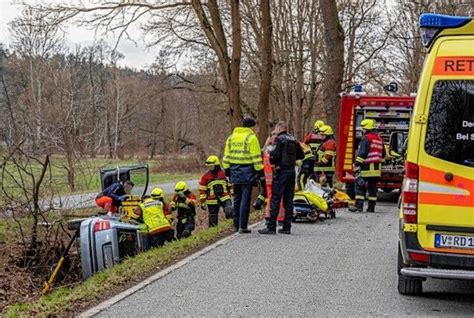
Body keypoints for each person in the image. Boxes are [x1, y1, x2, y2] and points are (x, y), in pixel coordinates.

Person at [259, 121, 304, 235]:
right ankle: (286, 227)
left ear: (279, 128)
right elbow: (301, 155)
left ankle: (271, 227)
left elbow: (275, 155)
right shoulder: (293, 139)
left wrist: (273, 160)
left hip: (281, 171)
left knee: (275, 198)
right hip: (291, 171)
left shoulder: (279, 139)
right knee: (288, 200)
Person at [223, 117, 264, 233]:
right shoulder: (251, 138)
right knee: (245, 200)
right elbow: (256, 158)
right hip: (247, 171)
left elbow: (226, 156)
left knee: (236, 199)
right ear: (252, 126)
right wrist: (260, 173)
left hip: (234, 171)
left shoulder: (231, 138)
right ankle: (243, 226)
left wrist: (227, 171)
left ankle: (235, 225)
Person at [349, 119, 386, 213]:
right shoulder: (379, 139)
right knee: (373, 189)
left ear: (367, 129)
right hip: (376, 169)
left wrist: (356, 164)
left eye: (363, 129)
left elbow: (362, 154)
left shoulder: (366, 138)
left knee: (359, 185)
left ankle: (359, 206)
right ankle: (371, 208)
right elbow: (383, 154)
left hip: (367, 167)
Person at [199, 155, 233, 227]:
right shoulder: (205, 177)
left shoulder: (224, 173)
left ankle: (232, 225)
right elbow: (202, 190)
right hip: (212, 200)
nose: (210, 168)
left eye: (211, 166)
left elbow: (230, 184)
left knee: (229, 211)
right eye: (208, 166)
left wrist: (232, 192)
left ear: (217, 165)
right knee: (213, 219)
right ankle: (213, 230)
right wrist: (202, 202)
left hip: (225, 197)